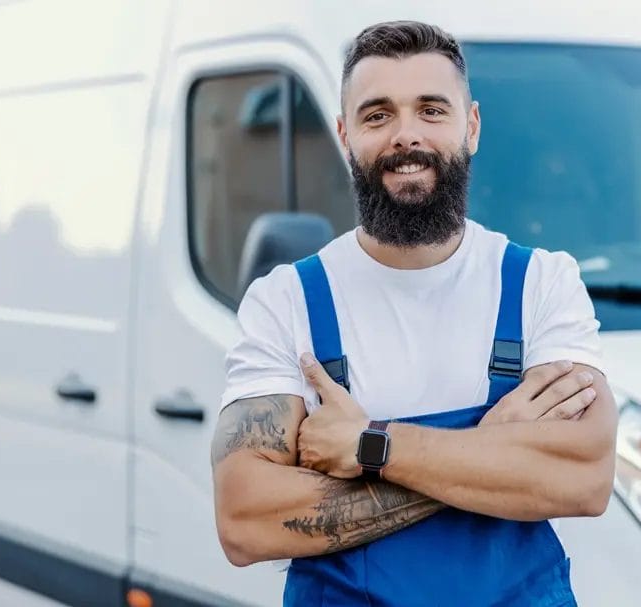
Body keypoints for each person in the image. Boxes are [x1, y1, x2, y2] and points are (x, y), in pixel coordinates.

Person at [211, 20, 618, 606]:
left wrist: (371, 446)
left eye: (432, 110)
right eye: (378, 115)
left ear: (471, 126)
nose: (407, 135)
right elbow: (245, 520)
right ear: (345, 135)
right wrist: (490, 449)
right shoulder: (286, 301)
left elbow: (583, 477)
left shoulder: (541, 284)